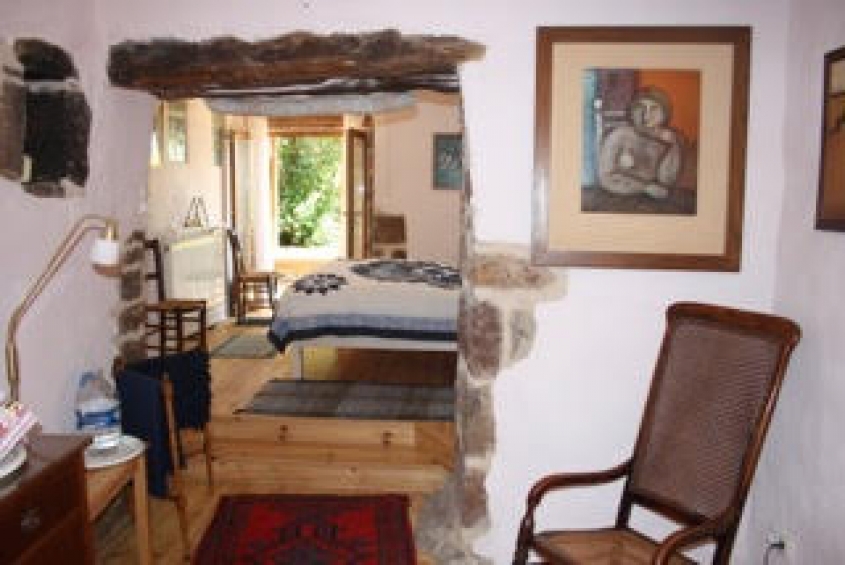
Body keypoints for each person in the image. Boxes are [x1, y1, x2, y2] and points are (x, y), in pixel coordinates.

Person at [597, 87, 683, 199]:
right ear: (632, 112)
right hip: (617, 197)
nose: (646, 115)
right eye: (640, 108)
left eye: (654, 109)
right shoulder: (619, 136)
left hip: (652, 201)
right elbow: (606, 177)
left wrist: (672, 146)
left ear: (665, 113)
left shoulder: (667, 139)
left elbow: (667, 181)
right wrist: (644, 187)